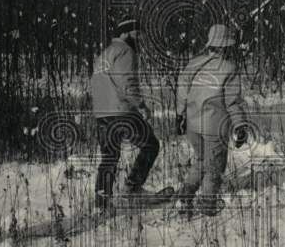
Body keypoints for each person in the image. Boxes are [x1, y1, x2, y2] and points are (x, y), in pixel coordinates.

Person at [176, 24, 250, 216]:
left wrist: (180, 115)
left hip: (193, 125)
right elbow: (233, 101)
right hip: (215, 126)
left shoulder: (193, 64)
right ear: (225, 45)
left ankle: (186, 194)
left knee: (200, 160)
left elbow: (182, 92)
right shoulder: (229, 68)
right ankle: (208, 207)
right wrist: (240, 125)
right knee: (214, 168)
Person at [90, 18, 161, 208]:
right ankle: (132, 187)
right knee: (151, 145)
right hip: (121, 112)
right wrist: (141, 105)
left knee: (109, 157)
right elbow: (127, 84)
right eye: (137, 34)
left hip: (102, 113)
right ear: (125, 33)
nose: (140, 39)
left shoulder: (104, 54)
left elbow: (96, 84)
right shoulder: (125, 51)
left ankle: (101, 202)